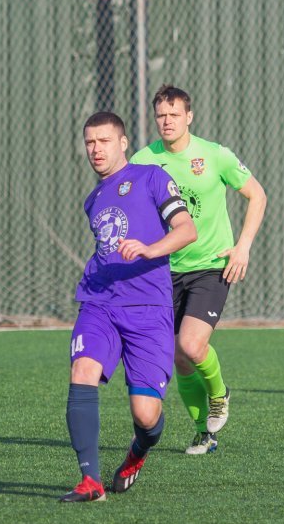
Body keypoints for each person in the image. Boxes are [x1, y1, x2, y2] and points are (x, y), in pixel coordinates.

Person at [61, 111, 196, 502]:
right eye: (90, 142)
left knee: (146, 416)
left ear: (123, 143)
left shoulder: (151, 177)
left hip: (149, 308)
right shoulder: (93, 200)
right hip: (100, 301)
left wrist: (150, 249)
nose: (96, 149)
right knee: (82, 370)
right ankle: (90, 481)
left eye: (104, 141)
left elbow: (187, 229)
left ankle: (138, 451)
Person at [130, 85, 267, 454]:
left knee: (191, 345)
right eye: (161, 115)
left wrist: (243, 247)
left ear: (189, 117)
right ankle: (203, 432)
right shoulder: (143, 161)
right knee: (178, 357)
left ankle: (219, 395)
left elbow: (257, 195)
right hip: (165, 271)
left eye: (174, 115)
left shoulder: (215, 155)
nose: (167, 121)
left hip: (211, 266)